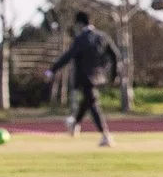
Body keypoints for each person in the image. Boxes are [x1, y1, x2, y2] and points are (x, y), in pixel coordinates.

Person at [46, 10, 119, 146]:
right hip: (99, 76)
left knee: (92, 103)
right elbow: (114, 55)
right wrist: (114, 75)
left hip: (85, 77)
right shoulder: (102, 36)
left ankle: (105, 135)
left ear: (79, 24)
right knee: (89, 101)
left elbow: (68, 56)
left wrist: (52, 70)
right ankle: (75, 123)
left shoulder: (81, 40)